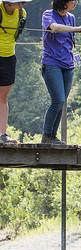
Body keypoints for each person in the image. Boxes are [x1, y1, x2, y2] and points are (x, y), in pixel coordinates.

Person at [41, 0, 81, 145]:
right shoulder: (48, 14)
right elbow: (54, 28)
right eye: (73, 0)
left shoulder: (71, 18)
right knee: (58, 100)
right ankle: (46, 135)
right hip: (51, 62)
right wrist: (76, 29)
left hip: (68, 64)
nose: (76, 3)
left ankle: (52, 136)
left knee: (62, 102)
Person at [0, 0, 31, 144]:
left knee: (3, 97)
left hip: (8, 57)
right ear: (8, 3)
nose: (21, 6)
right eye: (19, 2)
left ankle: (2, 134)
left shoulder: (21, 14)